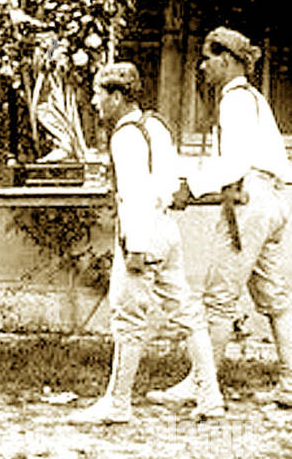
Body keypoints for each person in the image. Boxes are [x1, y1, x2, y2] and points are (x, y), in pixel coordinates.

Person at [158, 27, 292, 409]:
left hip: (251, 202)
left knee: (219, 299)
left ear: (226, 59)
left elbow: (235, 163)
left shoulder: (235, 101)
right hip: (270, 202)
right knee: (274, 298)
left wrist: (189, 188)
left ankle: (200, 383)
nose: (203, 66)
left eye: (208, 58)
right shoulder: (254, 99)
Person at [70, 63, 224, 425]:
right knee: (186, 312)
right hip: (167, 229)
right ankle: (210, 396)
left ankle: (118, 403)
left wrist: (135, 247)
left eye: (99, 94)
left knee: (126, 320)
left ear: (118, 96)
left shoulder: (124, 135)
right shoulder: (155, 124)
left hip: (143, 231)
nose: (95, 102)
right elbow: (171, 181)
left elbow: (134, 195)